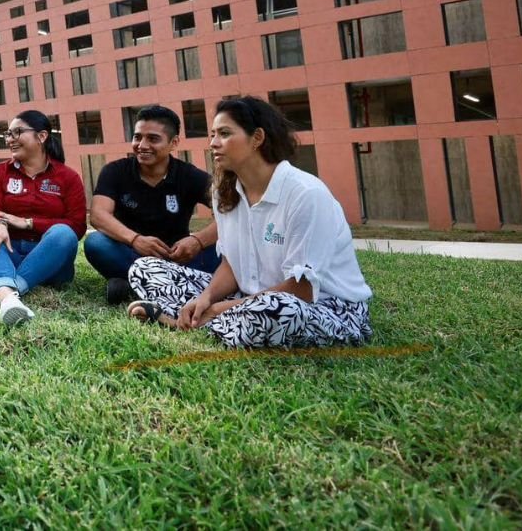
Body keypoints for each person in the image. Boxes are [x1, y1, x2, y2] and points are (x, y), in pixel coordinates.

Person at [126, 96, 373, 348]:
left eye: (224, 133)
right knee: (145, 268)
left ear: (257, 138)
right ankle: (198, 317)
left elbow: (302, 290)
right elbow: (232, 265)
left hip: (322, 307)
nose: (213, 143)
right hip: (245, 297)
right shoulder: (223, 192)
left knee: (276, 310)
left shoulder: (305, 194)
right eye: (212, 134)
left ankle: (184, 319)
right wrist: (205, 297)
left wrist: (216, 309)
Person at [83, 105, 219, 305]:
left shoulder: (190, 176)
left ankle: (133, 287)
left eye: (153, 139)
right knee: (96, 244)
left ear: (174, 143)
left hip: (178, 257)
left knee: (223, 249)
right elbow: (98, 215)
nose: (142, 145)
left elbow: (232, 211)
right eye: (138, 137)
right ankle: (176, 287)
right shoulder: (115, 171)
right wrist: (135, 239)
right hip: (131, 253)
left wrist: (197, 241)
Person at [0, 109, 87, 326]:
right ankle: (8, 300)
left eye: (17, 132)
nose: (10, 139)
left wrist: (28, 223)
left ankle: (2, 291)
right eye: (8, 134)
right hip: (9, 251)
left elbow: (77, 225)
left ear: (41, 136)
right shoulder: (0, 173)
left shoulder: (68, 177)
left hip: (50, 259)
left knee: (63, 233)